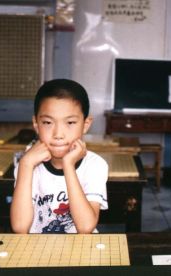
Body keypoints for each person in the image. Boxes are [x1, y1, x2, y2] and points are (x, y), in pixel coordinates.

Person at [10, 79, 108, 234]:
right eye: (48, 122)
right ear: (36, 124)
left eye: (70, 122)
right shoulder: (28, 163)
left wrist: (68, 165)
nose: (58, 134)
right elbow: (20, 227)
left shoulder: (95, 165)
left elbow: (85, 227)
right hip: (37, 252)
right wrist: (25, 166)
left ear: (85, 124)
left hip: (80, 253)